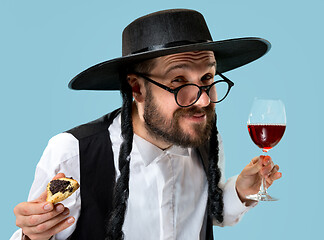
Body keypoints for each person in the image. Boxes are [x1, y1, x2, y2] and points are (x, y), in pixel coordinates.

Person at [11, 9, 281, 240]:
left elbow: (208, 213)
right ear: (137, 88)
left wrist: (241, 191)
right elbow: (37, 230)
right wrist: (33, 233)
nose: (201, 100)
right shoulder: (73, 153)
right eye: (178, 81)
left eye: (207, 78)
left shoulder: (206, 140)